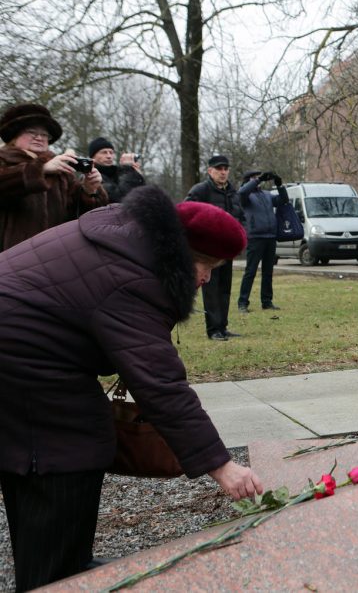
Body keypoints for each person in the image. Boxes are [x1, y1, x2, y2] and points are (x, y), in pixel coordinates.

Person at [0, 185, 263, 591]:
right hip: (22, 362)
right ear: (179, 252)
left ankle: (56, 566)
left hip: (20, 354)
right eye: (206, 264)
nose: (207, 278)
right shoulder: (136, 278)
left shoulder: (126, 234)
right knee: (66, 450)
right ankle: (55, 577)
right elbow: (161, 384)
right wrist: (221, 466)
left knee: (42, 458)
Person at [0, 103, 107, 252]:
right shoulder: (3, 160)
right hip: (10, 255)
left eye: (44, 134)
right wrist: (40, 170)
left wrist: (89, 190)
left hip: (52, 256)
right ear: (14, 135)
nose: (39, 138)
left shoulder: (60, 168)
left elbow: (76, 215)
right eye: (32, 132)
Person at [185, 155, 245, 340]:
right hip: (208, 251)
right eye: (219, 169)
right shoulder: (201, 190)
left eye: (226, 168)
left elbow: (240, 216)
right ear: (210, 171)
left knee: (224, 289)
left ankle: (223, 326)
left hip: (226, 250)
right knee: (211, 289)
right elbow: (188, 212)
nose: (223, 172)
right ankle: (213, 330)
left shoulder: (233, 192)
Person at [237, 169, 289, 312]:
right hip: (255, 237)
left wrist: (280, 186)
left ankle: (267, 301)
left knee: (268, 271)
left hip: (270, 237)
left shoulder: (267, 195)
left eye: (258, 177)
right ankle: (242, 302)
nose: (257, 180)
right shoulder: (245, 196)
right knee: (251, 271)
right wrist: (258, 180)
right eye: (253, 178)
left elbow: (283, 201)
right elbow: (241, 192)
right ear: (248, 180)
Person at [88, 136, 146, 203]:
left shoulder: (119, 172)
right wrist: (127, 169)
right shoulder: (90, 176)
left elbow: (143, 195)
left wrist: (136, 174)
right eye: (104, 152)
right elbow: (122, 199)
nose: (109, 156)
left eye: (111, 152)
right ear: (93, 157)